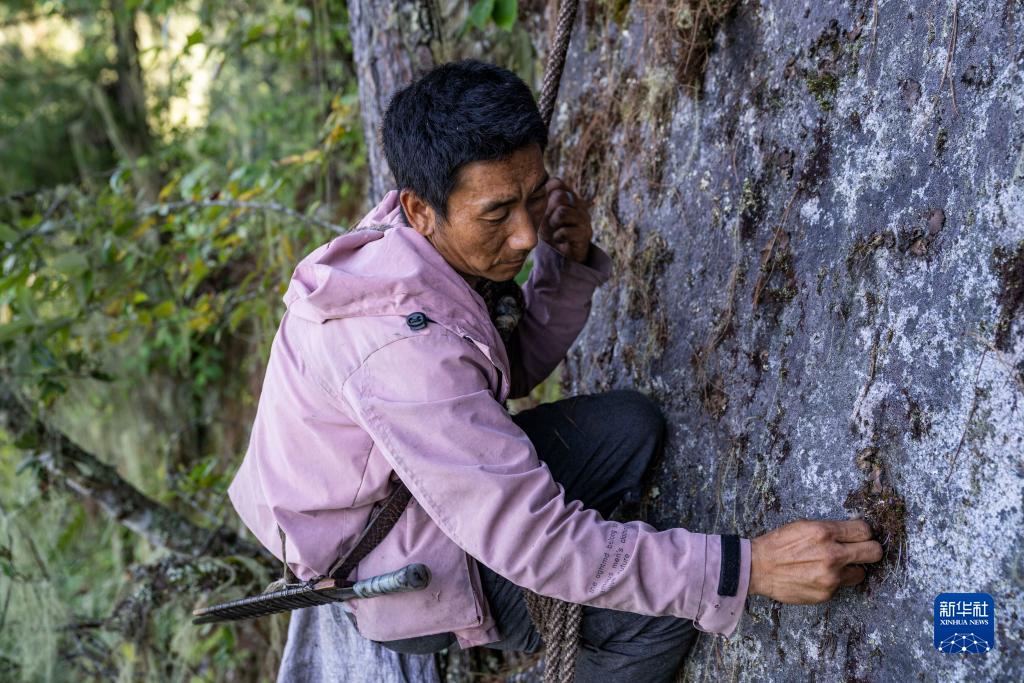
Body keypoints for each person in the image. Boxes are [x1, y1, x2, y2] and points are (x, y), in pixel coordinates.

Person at [227, 59, 884, 681]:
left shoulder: (415, 252)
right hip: (398, 569)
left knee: (630, 427)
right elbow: (533, 540)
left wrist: (562, 271)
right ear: (419, 209)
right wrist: (748, 567)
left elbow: (494, 373)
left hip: (414, 502)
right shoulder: (395, 348)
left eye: (533, 197)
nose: (523, 235)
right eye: (496, 213)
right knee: (659, 622)